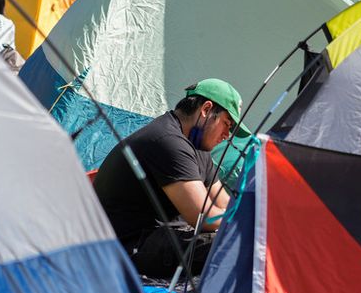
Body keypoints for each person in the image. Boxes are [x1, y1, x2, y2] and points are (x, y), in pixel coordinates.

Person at [94, 78, 251, 279]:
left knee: (240, 236)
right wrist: (245, 217)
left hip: (158, 237)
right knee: (237, 245)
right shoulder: (167, 141)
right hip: (127, 247)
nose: (227, 135)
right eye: (226, 124)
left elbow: (225, 203)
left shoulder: (198, 147)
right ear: (206, 109)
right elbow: (203, 216)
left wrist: (245, 216)